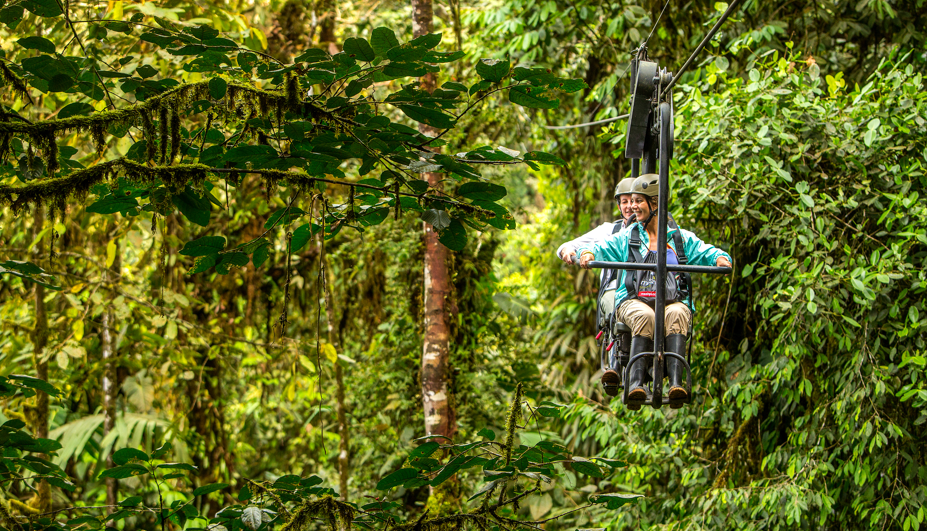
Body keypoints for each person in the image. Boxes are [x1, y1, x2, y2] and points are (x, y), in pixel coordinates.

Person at [578, 174, 732, 401]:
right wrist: (588, 253)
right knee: (645, 315)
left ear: (655, 203)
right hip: (633, 301)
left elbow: (705, 250)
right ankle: (635, 383)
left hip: (671, 300)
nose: (633, 207)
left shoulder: (678, 238)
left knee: (678, 313)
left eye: (639, 201)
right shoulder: (628, 237)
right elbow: (603, 247)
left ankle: (676, 384)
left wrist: (720, 258)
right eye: (632, 201)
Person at [556, 176, 636, 392]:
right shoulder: (610, 231)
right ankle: (617, 364)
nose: (629, 206)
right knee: (615, 304)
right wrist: (570, 251)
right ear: (619, 205)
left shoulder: (654, 230)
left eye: (633, 201)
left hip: (645, 288)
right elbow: (569, 245)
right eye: (625, 202)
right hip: (616, 288)